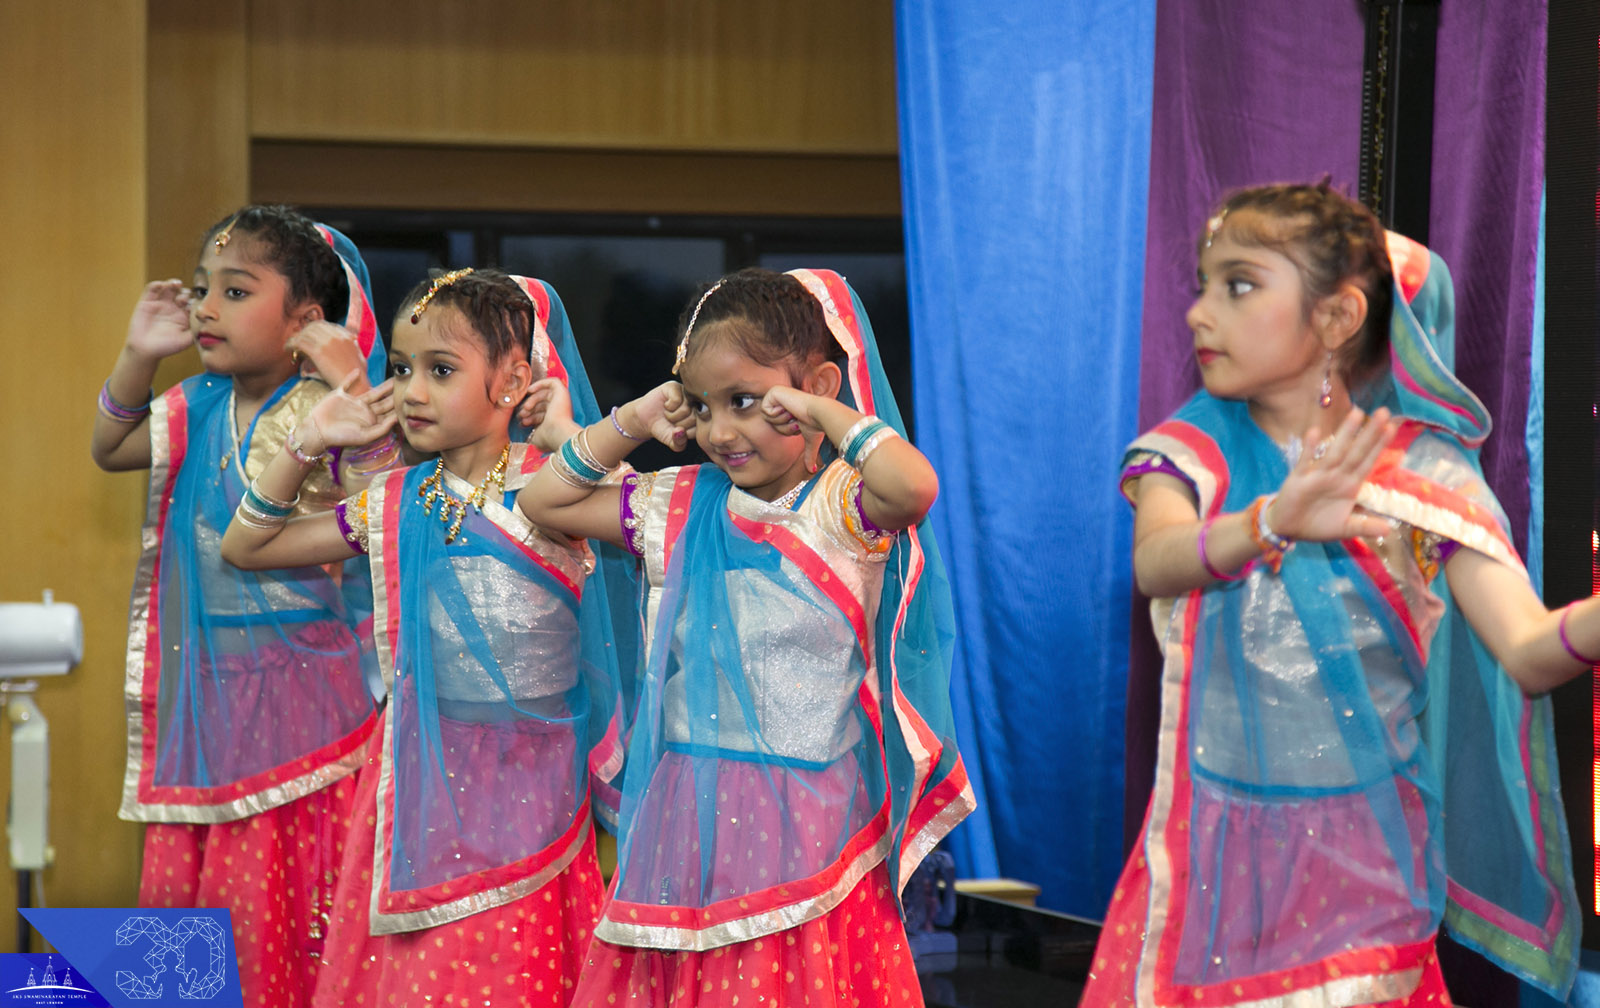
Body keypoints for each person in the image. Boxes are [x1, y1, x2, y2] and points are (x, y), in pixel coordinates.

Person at [1085, 182, 1590, 1006]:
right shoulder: (1190, 456)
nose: (1199, 314)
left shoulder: (1425, 478)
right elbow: (1158, 562)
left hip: (1370, 875)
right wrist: (1272, 520)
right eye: (1203, 285)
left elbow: (1529, 653)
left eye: (1239, 285)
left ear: (1336, 318)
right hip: (1207, 864)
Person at [517, 266, 973, 1006]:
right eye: (703, 404)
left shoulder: (841, 511)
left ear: (817, 386)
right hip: (686, 813)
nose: (721, 430)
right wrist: (636, 415)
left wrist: (827, 415)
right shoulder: (681, 502)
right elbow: (546, 501)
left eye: (747, 401)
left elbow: (913, 487)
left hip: (812, 819)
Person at [220, 268, 627, 1008]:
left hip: (533, 795)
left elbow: (654, 531)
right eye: (401, 368)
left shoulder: (551, 493)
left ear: (512, 381)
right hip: (415, 792)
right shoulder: (395, 500)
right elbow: (248, 548)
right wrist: (308, 443)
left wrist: (572, 438)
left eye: (440, 371)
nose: (410, 391)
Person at [91, 205, 395, 1007]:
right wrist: (136, 356)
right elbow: (113, 446)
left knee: (283, 901)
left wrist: (350, 381)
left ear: (305, 321)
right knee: (197, 901)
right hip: (209, 701)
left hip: (310, 709)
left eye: (234, 290)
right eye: (202, 291)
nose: (206, 309)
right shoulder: (194, 405)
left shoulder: (325, 409)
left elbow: (388, 498)